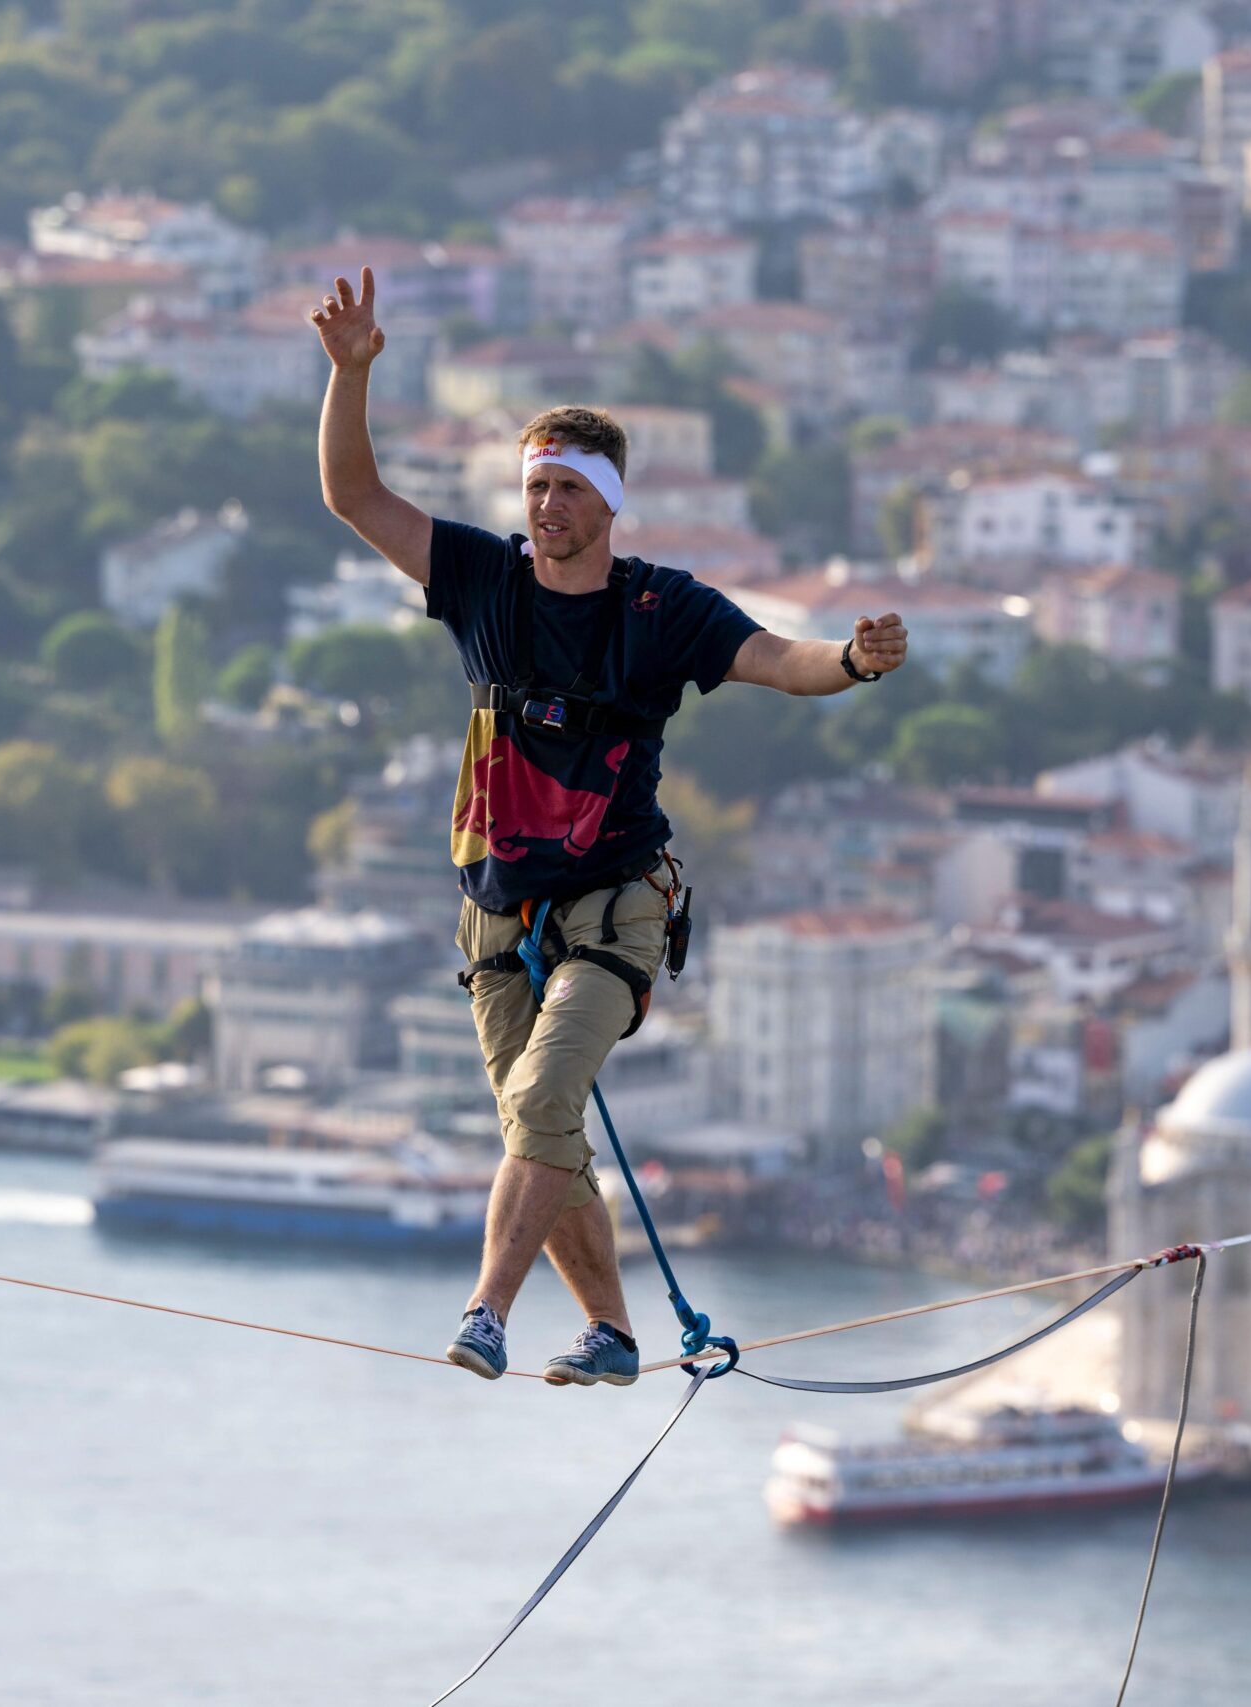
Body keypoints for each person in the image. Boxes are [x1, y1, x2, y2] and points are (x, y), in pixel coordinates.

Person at [311, 267, 909, 1387]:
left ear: (607, 504)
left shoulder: (660, 610)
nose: (545, 506)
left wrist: (850, 661)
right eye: (535, 485)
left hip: (613, 908)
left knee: (542, 1103)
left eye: (567, 489)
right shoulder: (482, 580)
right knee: (541, 1139)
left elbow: (778, 660)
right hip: (494, 916)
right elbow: (355, 495)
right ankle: (613, 1334)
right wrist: (351, 378)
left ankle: (486, 1312)